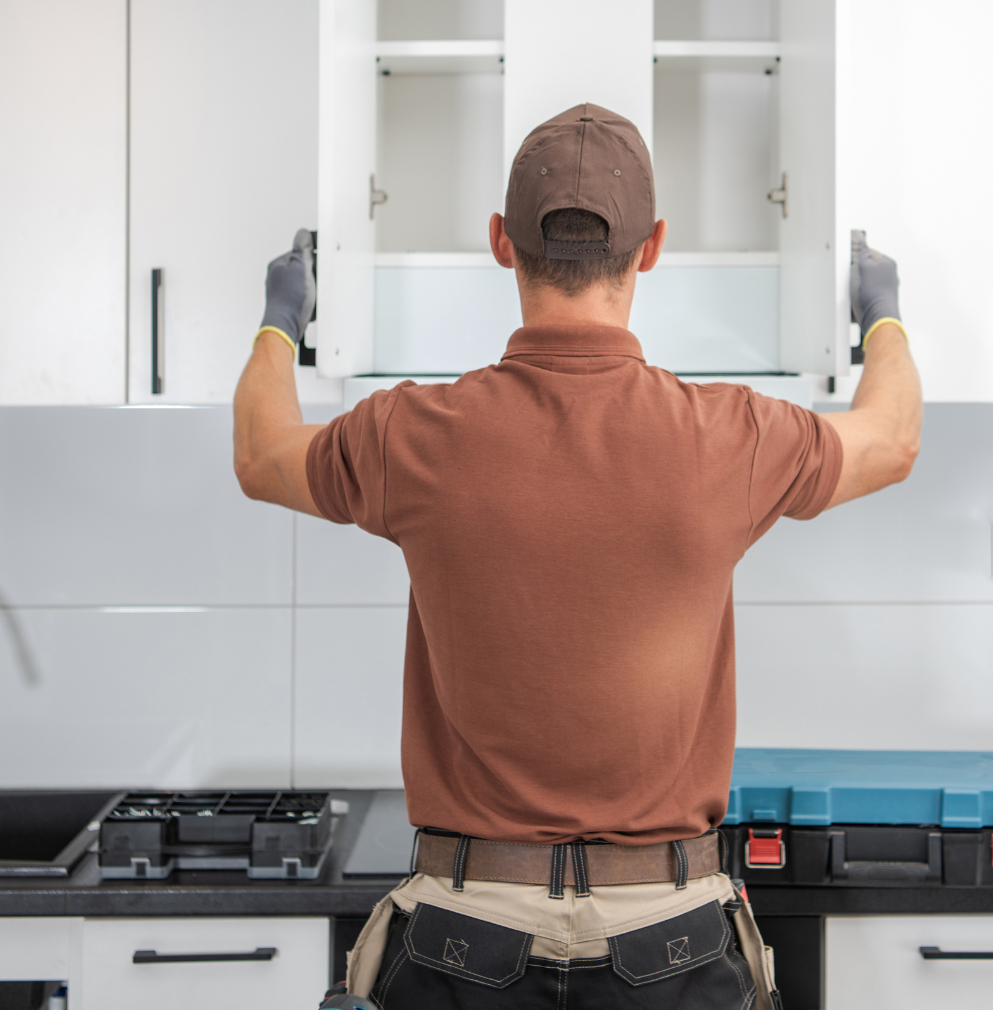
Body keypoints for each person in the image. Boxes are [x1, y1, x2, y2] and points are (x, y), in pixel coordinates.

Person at [233, 103, 921, 1010]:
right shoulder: (732, 436)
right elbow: (892, 437)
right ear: (653, 247)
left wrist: (282, 319)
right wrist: (883, 315)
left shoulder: (412, 435)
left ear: (499, 242)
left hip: (462, 939)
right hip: (668, 939)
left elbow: (261, 453)